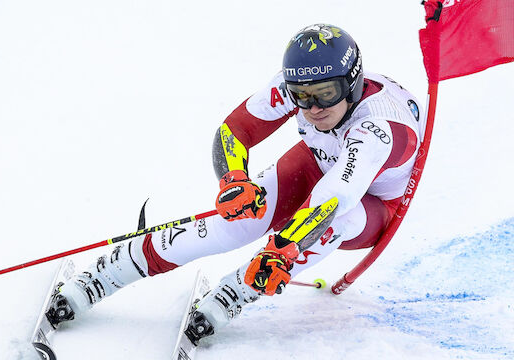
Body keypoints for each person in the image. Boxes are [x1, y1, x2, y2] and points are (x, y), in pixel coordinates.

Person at [45, 24, 423, 343]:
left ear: (352, 81)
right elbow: (235, 129)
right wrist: (233, 182)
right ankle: (108, 273)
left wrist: (283, 250)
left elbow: (337, 196)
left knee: (336, 220)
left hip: (367, 205)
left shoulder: (379, 128)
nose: (313, 108)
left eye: (326, 94)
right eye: (302, 97)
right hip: (317, 163)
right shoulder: (300, 84)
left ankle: (239, 289)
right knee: (236, 221)